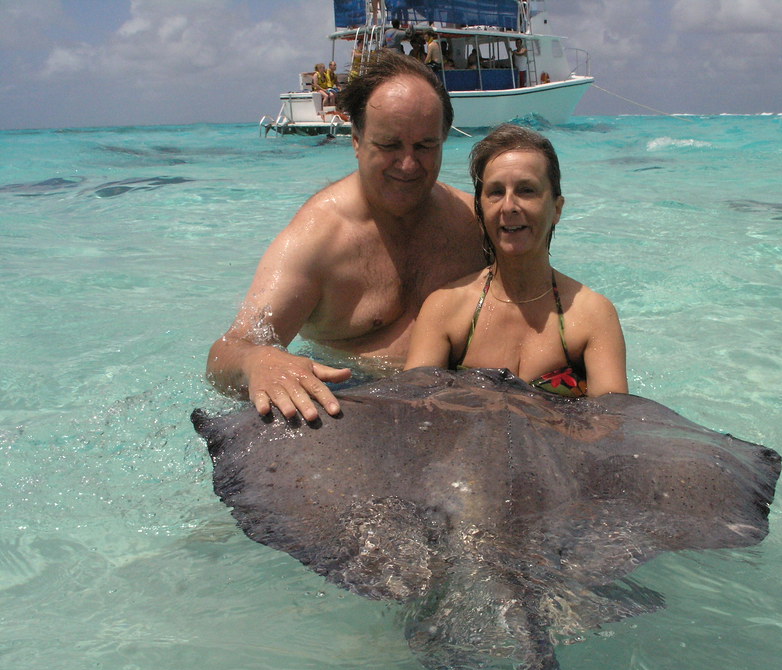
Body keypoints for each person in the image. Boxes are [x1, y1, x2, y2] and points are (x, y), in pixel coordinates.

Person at [206, 52, 484, 422]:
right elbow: (226, 353)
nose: (408, 164)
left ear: (444, 140)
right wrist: (258, 360)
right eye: (388, 145)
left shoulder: (473, 222)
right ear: (355, 139)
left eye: (425, 146)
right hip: (353, 404)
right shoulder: (319, 239)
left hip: (456, 398)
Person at [405, 124, 628, 397]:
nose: (509, 206)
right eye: (496, 192)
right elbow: (409, 410)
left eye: (526, 190)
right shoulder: (445, 310)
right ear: (480, 208)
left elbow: (613, 424)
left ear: (556, 209)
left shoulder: (593, 316)